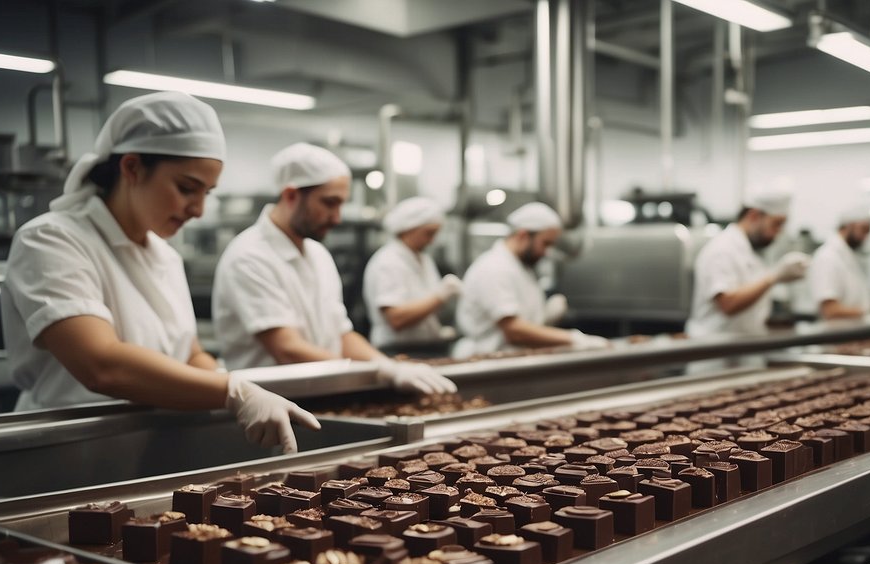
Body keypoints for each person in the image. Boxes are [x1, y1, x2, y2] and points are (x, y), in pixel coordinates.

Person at [1, 91, 318, 454]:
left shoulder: (164, 256)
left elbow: (190, 353)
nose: (198, 209)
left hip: (153, 443)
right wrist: (231, 390)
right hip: (69, 450)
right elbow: (101, 364)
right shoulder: (52, 239)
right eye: (186, 188)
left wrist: (231, 386)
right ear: (132, 168)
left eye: (207, 193)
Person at [212, 143, 455, 396]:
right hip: (269, 406)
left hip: (322, 397)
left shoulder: (318, 255)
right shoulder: (250, 256)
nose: (337, 217)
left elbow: (342, 335)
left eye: (341, 205)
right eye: (329, 203)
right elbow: (287, 348)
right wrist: (374, 372)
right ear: (291, 195)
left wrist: (388, 365)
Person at [453, 202, 607, 358]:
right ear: (523, 235)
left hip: (513, 361)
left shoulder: (522, 268)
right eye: (545, 243)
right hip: (488, 363)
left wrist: (545, 319)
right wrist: (574, 339)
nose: (546, 252)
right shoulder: (494, 268)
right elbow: (514, 331)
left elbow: (522, 323)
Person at [684, 193, 810, 338]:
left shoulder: (751, 251)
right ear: (754, 216)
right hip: (716, 351)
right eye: (776, 224)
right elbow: (727, 304)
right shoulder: (722, 249)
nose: (778, 233)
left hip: (744, 350)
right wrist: (774, 277)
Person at [363, 196, 460, 350]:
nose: (432, 241)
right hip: (396, 350)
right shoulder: (388, 262)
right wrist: (440, 296)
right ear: (408, 229)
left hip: (425, 348)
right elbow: (396, 319)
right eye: (429, 233)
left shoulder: (424, 259)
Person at [808, 205, 870, 320]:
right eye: (864, 229)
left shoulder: (848, 256)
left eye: (868, 231)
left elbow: (853, 299)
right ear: (849, 226)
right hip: (838, 334)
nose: (866, 237)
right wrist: (869, 311)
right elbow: (830, 310)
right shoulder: (827, 257)